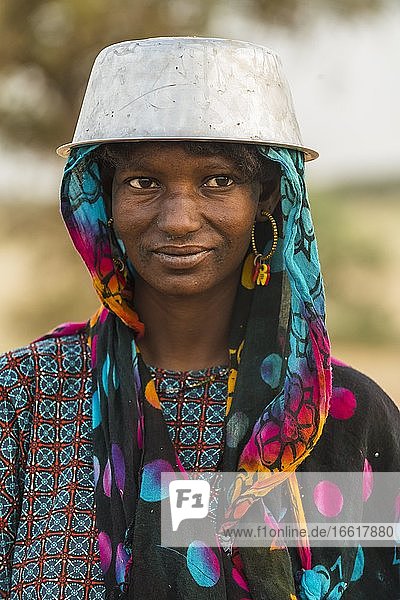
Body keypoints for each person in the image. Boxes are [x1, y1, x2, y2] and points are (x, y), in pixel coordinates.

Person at [0, 37, 398, 600]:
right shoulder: (25, 401)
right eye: (143, 183)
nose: (180, 219)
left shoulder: (341, 419)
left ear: (266, 198)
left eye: (217, 180)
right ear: (103, 200)